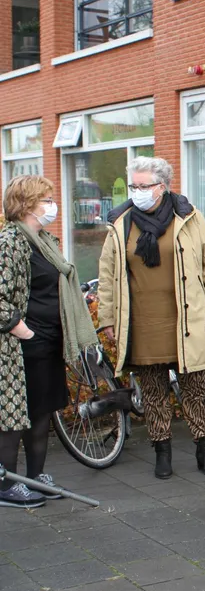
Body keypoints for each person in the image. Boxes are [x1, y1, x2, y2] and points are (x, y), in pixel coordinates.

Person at [97, 157, 205, 480]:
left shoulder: (189, 217)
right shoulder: (120, 223)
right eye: (134, 186)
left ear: (163, 186)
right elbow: (107, 276)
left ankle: (204, 450)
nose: (137, 191)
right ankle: (162, 453)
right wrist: (108, 318)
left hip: (187, 318)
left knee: (196, 389)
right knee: (154, 392)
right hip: (143, 322)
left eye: (144, 186)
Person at [0, 176, 98, 508]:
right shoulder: (11, 242)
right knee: (15, 416)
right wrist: (23, 331)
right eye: (46, 199)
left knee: (42, 412)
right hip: (19, 347)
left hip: (48, 343)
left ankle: (35, 476)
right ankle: (6, 484)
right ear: (26, 204)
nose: (52, 205)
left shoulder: (43, 240)